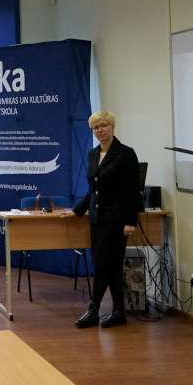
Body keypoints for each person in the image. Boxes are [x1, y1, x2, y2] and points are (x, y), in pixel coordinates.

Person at [73, 110, 142, 329]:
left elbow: (133, 191)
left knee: (103, 264)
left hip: (117, 220)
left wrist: (131, 221)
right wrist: (76, 211)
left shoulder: (125, 153)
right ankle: (119, 312)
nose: (100, 130)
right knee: (110, 266)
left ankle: (94, 310)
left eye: (104, 125)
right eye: (96, 127)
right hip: (97, 219)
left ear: (112, 127)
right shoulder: (93, 154)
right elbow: (93, 190)